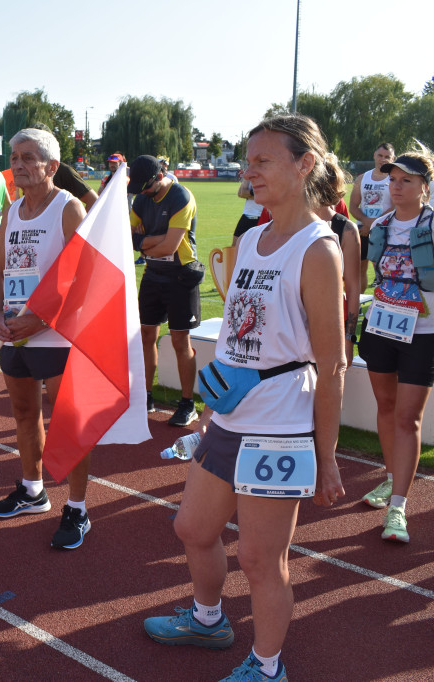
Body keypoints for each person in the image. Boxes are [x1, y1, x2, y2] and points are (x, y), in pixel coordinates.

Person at [143, 114, 346, 682]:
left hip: (280, 426)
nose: (247, 171)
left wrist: (325, 454)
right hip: (231, 418)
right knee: (193, 529)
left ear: (304, 164)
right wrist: (209, 413)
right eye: (247, 160)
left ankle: (267, 666)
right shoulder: (252, 237)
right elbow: (237, 334)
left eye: (262, 161)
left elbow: (332, 363)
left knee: (260, 560)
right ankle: (209, 621)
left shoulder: (318, 249)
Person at [0, 127, 90, 548]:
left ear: (51, 166)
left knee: (70, 425)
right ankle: (33, 490)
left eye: (28, 157)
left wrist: (42, 321)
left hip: (57, 336)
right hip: (14, 331)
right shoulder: (11, 211)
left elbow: (83, 281)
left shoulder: (68, 208)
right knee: (24, 415)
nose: (18, 164)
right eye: (14, 157)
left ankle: (78, 509)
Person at [357, 146, 434, 542]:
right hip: (382, 328)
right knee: (385, 408)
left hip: (423, 333)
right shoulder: (381, 224)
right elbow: (376, 271)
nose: (396, 186)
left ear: (425, 186)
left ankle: (399, 508)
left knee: (408, 418)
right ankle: (390, 478)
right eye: (393, 179)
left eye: (406, 180)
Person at [128, 155, 202, 424]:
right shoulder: (141, 199)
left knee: (181, 341)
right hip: (153, 274)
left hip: (182, 275)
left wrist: (142, 242)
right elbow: (129, 236)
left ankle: (187, 403)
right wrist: (149, 241)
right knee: (146, 335)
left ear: (159, 177)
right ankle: (145, 395)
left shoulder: (181, 197)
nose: (142, 194)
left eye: (145, 187)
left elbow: (171, 246)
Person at [314, 154, 362, 362]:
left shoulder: (346, 229)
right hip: (291, 327)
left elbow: (353, 287)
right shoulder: (288, 224)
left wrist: (349, 339)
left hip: (331, 326)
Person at [350, 143, 396, 293]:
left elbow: (395, 207)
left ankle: (383, 303)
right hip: (363, 230)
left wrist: (374, 224)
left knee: (386, 269)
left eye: (387, 157)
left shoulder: (394, 179)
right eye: (380, 156)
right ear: (374, 156)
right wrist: (367, 223)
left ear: (393, 158)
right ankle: (358, 304)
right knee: (360, 269)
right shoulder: (362, 178)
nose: (383, 159)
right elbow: (353, 207)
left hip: (386, 230)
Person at [233, 172, 264, 242]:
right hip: (248, 215)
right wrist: (255, 193)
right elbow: (241, 193)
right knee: (235, 245)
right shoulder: (249, 172)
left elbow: (270, 195)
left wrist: (250, 193)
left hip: (264, 216)